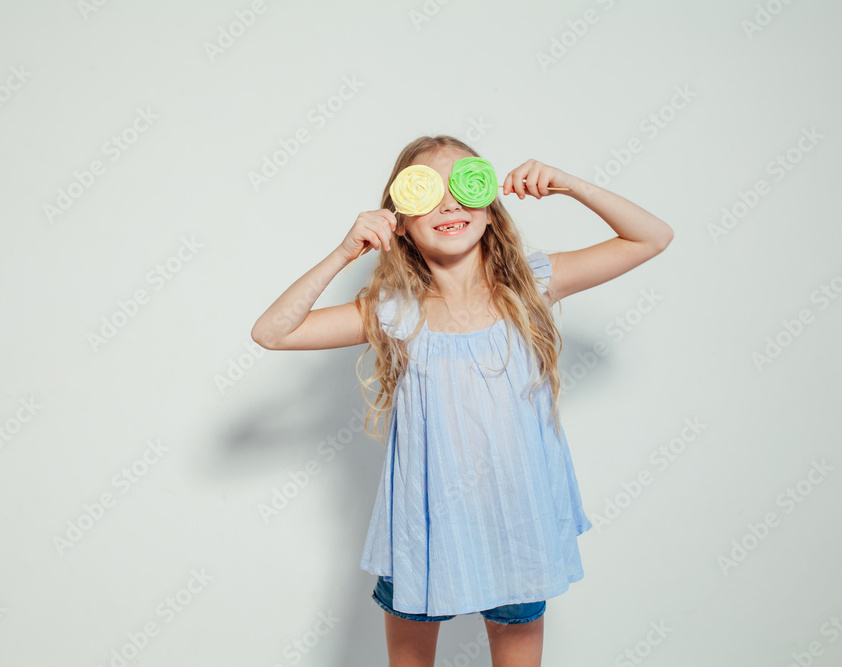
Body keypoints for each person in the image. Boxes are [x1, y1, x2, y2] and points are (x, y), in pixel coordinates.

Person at [250, 135, 673, 667]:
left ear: (490, 211)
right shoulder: (393, 312)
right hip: (424, 529)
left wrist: (569, 184)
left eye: (463, 187)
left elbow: (652, 238)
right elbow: (273, 332)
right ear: (399, 222)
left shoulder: (532, 285)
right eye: (425, 193)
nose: (448, 203)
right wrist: (344, 252)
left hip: (518, 522)